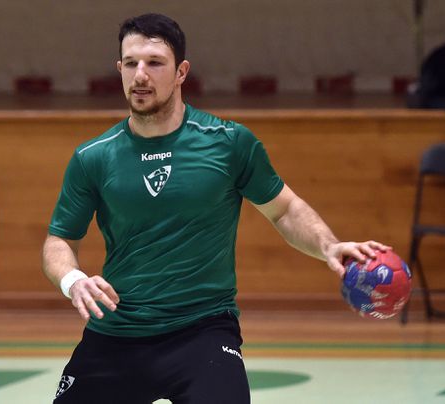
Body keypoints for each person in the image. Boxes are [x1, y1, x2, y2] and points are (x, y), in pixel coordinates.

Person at [43, 13, 390, 404]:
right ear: (119, 69)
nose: (140, 74)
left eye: (155, 63)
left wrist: (328, 245)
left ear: (181, 72)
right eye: (130, 63)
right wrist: (73, 280)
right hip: (117, 333)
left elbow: (285, 209)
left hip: (202, 332)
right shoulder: (94, 157)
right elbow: (59, 240)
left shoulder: (228, 143)